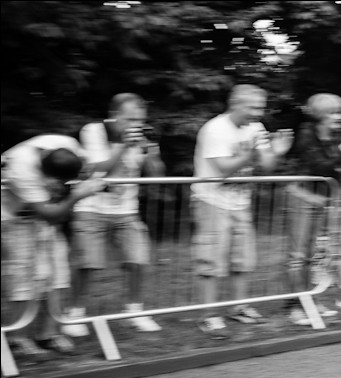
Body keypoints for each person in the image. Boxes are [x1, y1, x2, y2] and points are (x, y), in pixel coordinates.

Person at [191, 84, 293, 338]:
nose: (258, 113)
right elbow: (222, 169)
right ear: (235, 104)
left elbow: (266, 164)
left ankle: (238, 308)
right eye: (252, 107)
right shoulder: (216, 129)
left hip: (240, 202)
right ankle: (209, 316)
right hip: (211, 201)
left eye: (261, 107)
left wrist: (277, 153)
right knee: (212, 261)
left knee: (242, 260)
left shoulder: (256, 127)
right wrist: (249, 157)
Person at [63, 93, 166, 337]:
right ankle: (74, 313)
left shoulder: (141, 136)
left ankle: (134, 312)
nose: (136, 125)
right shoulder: (94, 131)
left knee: (138, 260)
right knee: (87, 264)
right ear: (113, 116)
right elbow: (99, 168)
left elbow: (157, 175)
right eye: (130, 119)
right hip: (91, 206)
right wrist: (121, 144)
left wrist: (151, 152)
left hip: (126, 210)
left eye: (140, 120)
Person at [1, 135, 106, 357]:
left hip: (41, 215)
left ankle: (49, 334)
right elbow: (51, 215)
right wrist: (76, 195)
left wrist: (75, 184)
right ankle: (17, 338)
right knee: (23, 277)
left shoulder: (65, 143)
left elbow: (87, 169)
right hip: (13, 218)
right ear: (46, 174)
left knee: (58, 274)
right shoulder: (23, 167)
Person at [282, 93, 341, 321]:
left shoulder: (332, 135)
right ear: (321, 115)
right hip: (301, 196)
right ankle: (295, 305)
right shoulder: (306, 133)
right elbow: (319, 165)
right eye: (335, 113)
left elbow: (338, 168)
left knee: (314, 255)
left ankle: (311, 299)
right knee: (298, 255)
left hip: (322, 199)